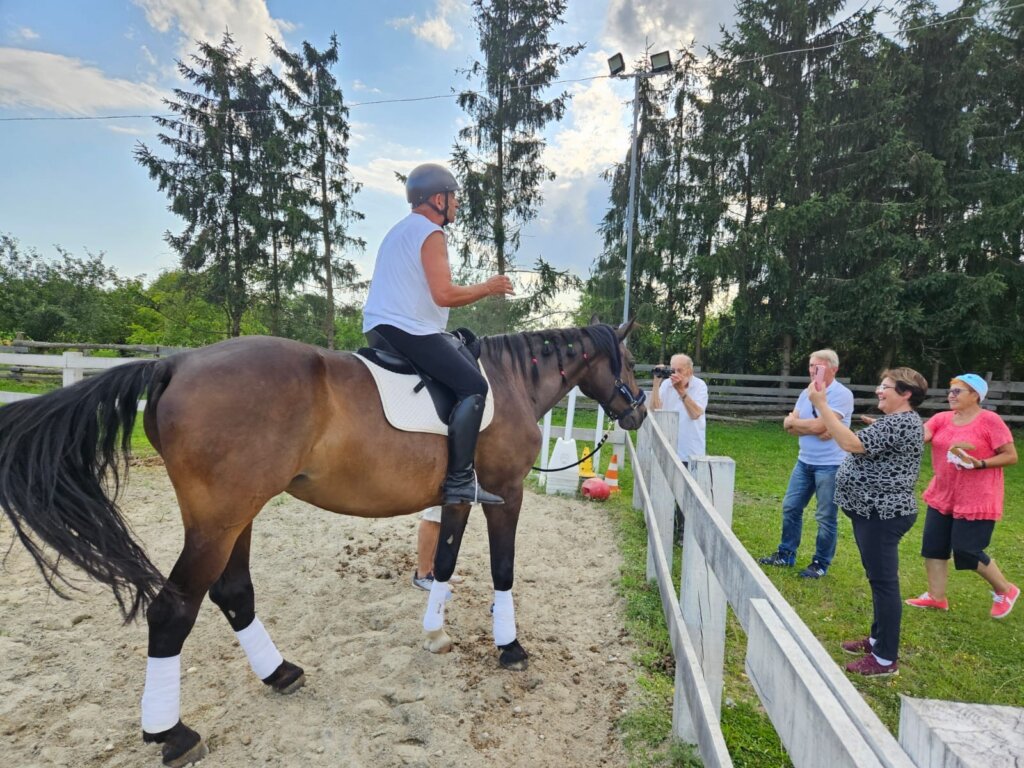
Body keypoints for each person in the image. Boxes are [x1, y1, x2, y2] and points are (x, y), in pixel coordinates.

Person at [363, 163, 514, 505]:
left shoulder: (399, 231)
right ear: (437, 199)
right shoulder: (431, 233)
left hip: (383, 327)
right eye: (453, 197)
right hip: (406, 329)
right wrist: (488, 287)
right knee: (473, 385)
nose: (457, 203)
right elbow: (443, 294)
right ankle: (460, 480)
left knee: (461, 343)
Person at [812, 367, 929, 677]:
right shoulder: (897, 422)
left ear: (905, 394)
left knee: (884, 584)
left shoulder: (902, 422)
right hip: (872, 512)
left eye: (887, 386)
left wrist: (822, 405)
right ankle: (877, 639)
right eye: (880, 384)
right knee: (878, 580)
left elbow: (850, 444)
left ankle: (885, 658)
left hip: (883, 514)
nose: (880, 390)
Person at [906, 373, 1019, 619]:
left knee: (967, 550)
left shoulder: (990, 420)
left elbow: (1011, 456)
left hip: (977, 498)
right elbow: (920, 436)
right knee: (933, 547)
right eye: (950, 391)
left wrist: (980, 463)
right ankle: (936, 598)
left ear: (975, 395)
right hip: (943, 494)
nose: (951, 396)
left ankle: (1006, 589)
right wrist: (891, 430)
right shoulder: (941, 419)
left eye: (957, 391)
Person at [759, 350, 854, 578]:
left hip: (831, 465)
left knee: (825, 516)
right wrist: (804, 424)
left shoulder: (841, 394)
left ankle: (820, 563)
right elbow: (790, 426)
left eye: (819, 367)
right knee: (791, 507)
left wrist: (808, 425)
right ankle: (786, 554)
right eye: (811, 366)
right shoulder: (807, 391)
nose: (813, 371)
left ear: (833, 369)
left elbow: (819, 427)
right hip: (804, 462)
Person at [651, 353, 708, 467]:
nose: (675, 374)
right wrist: (656, 383)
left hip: (690, 450)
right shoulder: (667, 384)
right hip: (667, 448)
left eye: (679, 370)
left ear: (690, 371)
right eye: (673, 370)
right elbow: (654, 409)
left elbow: (695, 414)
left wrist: (681, 390)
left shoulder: (700, 386)